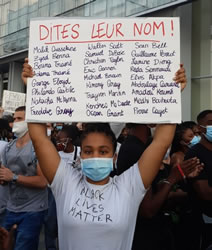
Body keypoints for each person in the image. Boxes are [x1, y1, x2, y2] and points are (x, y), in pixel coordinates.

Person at [19, 60, 186, 250]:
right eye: (88, 151)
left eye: (103, 151)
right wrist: (34, 89)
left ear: (114, 157)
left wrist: (171, 93)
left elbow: (161, 141)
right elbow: (40, 139)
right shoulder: (65, 182)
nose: (95, 156)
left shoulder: (129, 186)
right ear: (80, 155)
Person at [0, 106, 48, 250]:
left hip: (32, 210)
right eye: (14, 119)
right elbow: (5, 178)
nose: (14, 122)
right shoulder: (9, 147)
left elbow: (43, 181)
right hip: (10, 208)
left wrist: (13, 177)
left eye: (19, 119)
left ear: (30, 122)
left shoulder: (39, 147)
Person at [184, 109, 212, 250]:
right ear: (200, 128)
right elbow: (205, 192)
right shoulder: (194, 153)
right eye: (211, 123)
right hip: (204, 220)